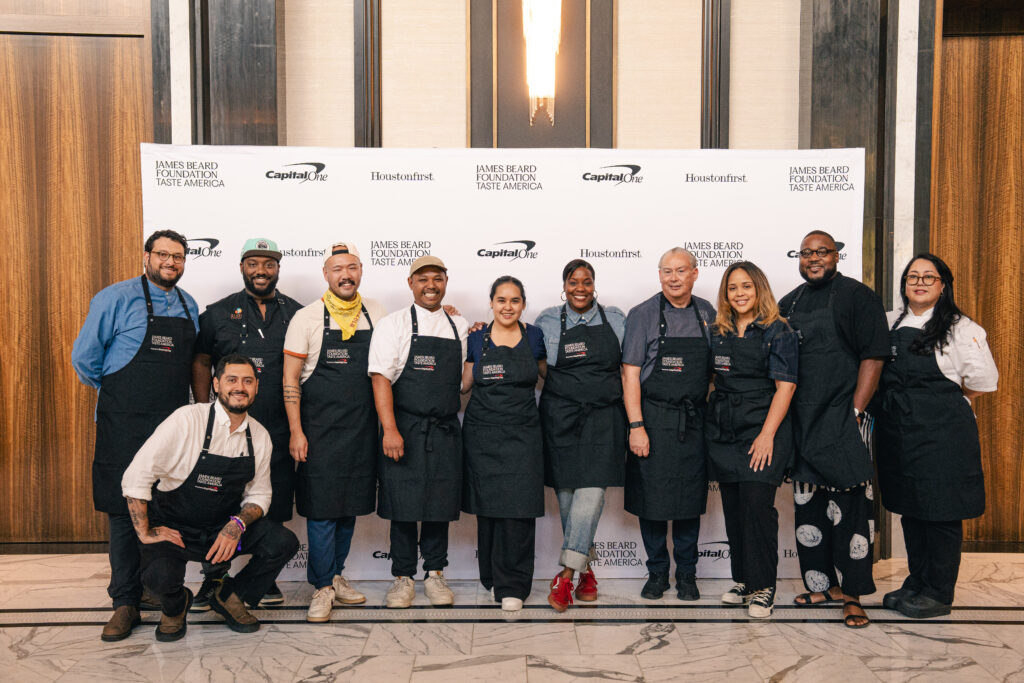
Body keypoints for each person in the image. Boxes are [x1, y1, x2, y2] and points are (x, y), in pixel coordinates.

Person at [71, 229, 200, 642]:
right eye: (163, 255)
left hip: (171, 425)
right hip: (123, 422)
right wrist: (118, 393)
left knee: (162, 507)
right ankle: (123, 602)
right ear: (146, 256)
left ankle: (153, 589)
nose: (170, 263)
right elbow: (85, 359)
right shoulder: (115, 297)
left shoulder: (188, 304)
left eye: (178, 257)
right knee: (123, 511)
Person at [122, 354, 299, 641]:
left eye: (247, 381)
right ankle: (175, 605)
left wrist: (235, 526)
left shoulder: (260, 436)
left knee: (283, 542)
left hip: (221, 529)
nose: (239, 387)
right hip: (176, 530)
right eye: (231, 380)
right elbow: (136, 476)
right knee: (158, 577)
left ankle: (230, 595)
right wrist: (144, 531)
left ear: (256, 387)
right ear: (216, 384)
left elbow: (260, 495)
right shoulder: (187, 420)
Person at [875, 254, 998, 619]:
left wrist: (938, 404)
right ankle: (917, 581)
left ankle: (939, 592)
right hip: (899, 432)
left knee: (941, 513)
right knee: (912, 510)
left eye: (929, 277)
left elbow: (982, 383)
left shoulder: (962, 328)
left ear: (944, 285)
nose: (920, 282)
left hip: (944, 435)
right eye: (913, 276)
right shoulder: (888, 322)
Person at [778, 230, 889, 628]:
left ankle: (853, 594)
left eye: (821, 252)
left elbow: (874, 356)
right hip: (803, 421)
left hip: (844, 418)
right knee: (808, 509)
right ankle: (824, 585)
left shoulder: (859, 297)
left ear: (836, 256)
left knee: (852, 512)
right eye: (805, 253)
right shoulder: (790, 302)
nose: (813, 259)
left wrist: (857, 411)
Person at [190, 238, 302, 610]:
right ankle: (214, 579)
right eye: (253, 263)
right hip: (229, 427)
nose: (261, 271)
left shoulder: (297, 314)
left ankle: (263, 577)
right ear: (242, 267)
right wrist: (207, 409)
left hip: (280, 426)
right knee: (220, 503)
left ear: (278, 269)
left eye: (268, 264)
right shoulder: (218, 312)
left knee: (275, 502)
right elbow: (203, 360)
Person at [283, 242, 387, 622]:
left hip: (361, 433)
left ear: (361, 271)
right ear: (325, 275)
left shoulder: (376, 313)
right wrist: (296, 431)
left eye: (352, 267)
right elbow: (290, 380)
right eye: (337, 269)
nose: (346, 275)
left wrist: (451, 317)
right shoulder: (307, 318)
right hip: (319, 434)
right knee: (322, 512)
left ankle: (336, 574)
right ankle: (322, 586)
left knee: (348, 511)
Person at [368, 255, 469, 608]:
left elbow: (463, 382)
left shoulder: (459, 325)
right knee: (404, 506)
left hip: (444, 429)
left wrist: (484, 335)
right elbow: (380, 379)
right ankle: (402, 578)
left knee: (439, 506)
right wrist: (390, 429)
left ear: (445, 281)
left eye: (437, 278)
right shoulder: (393, 325)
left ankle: (436, 574)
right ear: (410, 283)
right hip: (406, 427)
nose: (430, 285)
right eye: (423, 279)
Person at [705, 262, 798, 619]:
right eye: (732, 288)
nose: (739, 293)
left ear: (759, 288)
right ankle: (744, 580)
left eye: (746, 286)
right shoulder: (719, 331)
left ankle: (764, 587)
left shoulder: (778, 331)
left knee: (758, 508)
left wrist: (766, 436)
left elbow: (786, 387)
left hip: (764, 428)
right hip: (725, 430)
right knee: (734, 508)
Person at [621, 247, 715, 601]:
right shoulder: (642, 313)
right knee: (653, 502)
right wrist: (636, 425)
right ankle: (657, 572)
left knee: (689, 502)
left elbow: (713, 371)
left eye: (680, 271)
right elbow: (629, 374)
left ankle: (687, 575)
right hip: (654, 420)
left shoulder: (706, 312)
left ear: (694, 273)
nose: (673, 278)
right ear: (659, 275)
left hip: (693, 421)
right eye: (666, 271)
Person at [534, 259, 626, 611]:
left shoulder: (615, 318)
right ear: (564, 284)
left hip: (603, 419)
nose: (581, 288)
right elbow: (538, 362)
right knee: (569, 500)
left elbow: (629, 365)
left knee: (590, 495)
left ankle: (566, 577)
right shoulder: (546, 320)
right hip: (560, 418)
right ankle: (586, 570)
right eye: (574, 281)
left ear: (594, 284)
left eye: (587, 281)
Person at [461, 276, 547, 612]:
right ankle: (493, 578)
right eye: (501, 300)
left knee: (520, 511)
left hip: (524, 435)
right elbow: (466, 385)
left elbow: (547, 376)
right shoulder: (477, 337)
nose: (507, 307)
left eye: (514, 301)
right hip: (483, 435)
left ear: (523, 304)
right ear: (491, 303)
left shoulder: (535, 336)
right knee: (490, 510)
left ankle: (514, 585)